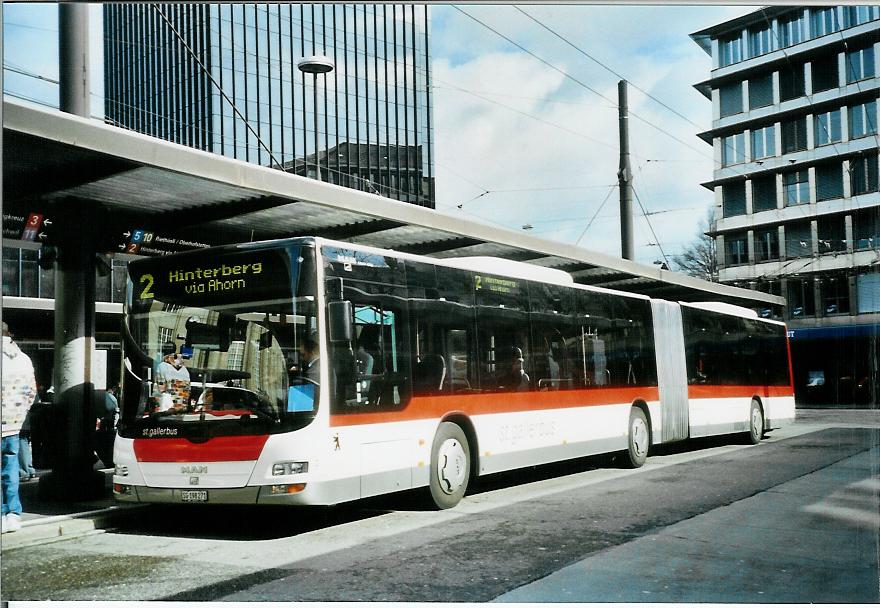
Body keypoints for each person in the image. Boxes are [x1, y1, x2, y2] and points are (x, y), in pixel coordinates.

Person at [1, 322, 37, 534]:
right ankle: (13, 514)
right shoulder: (24, 359)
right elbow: (31, 391)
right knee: (10, 469)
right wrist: (20, 413)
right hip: (14, 424)